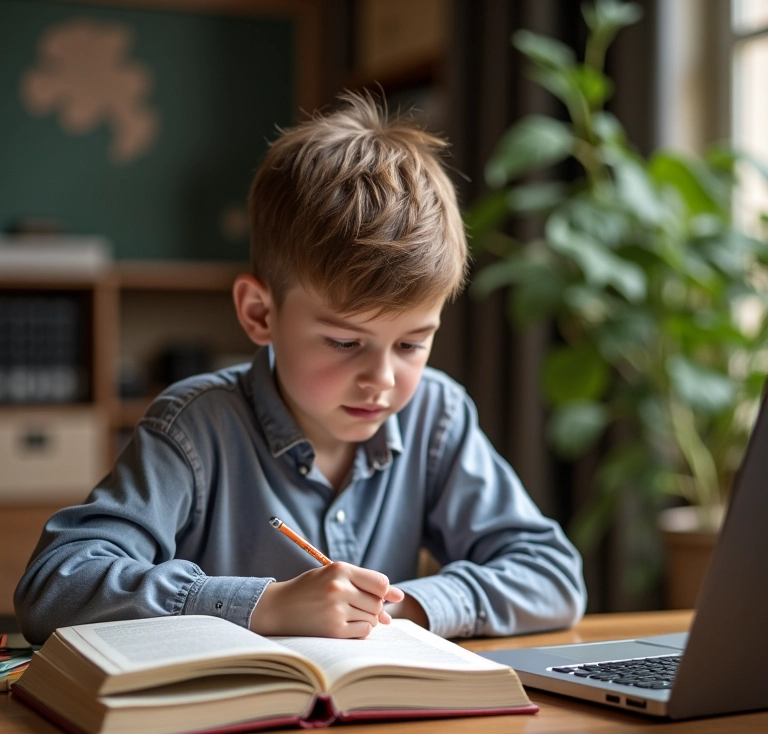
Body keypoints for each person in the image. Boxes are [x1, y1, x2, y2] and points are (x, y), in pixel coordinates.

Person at [15, 92, 586, 645]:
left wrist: (403, 607)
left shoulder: (436, 415)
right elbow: (54, 586)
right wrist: (265, 605)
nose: (382, 380)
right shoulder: (194, 427)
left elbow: (554, 577)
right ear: (260, 314)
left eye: (412, 344)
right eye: (344, 342)